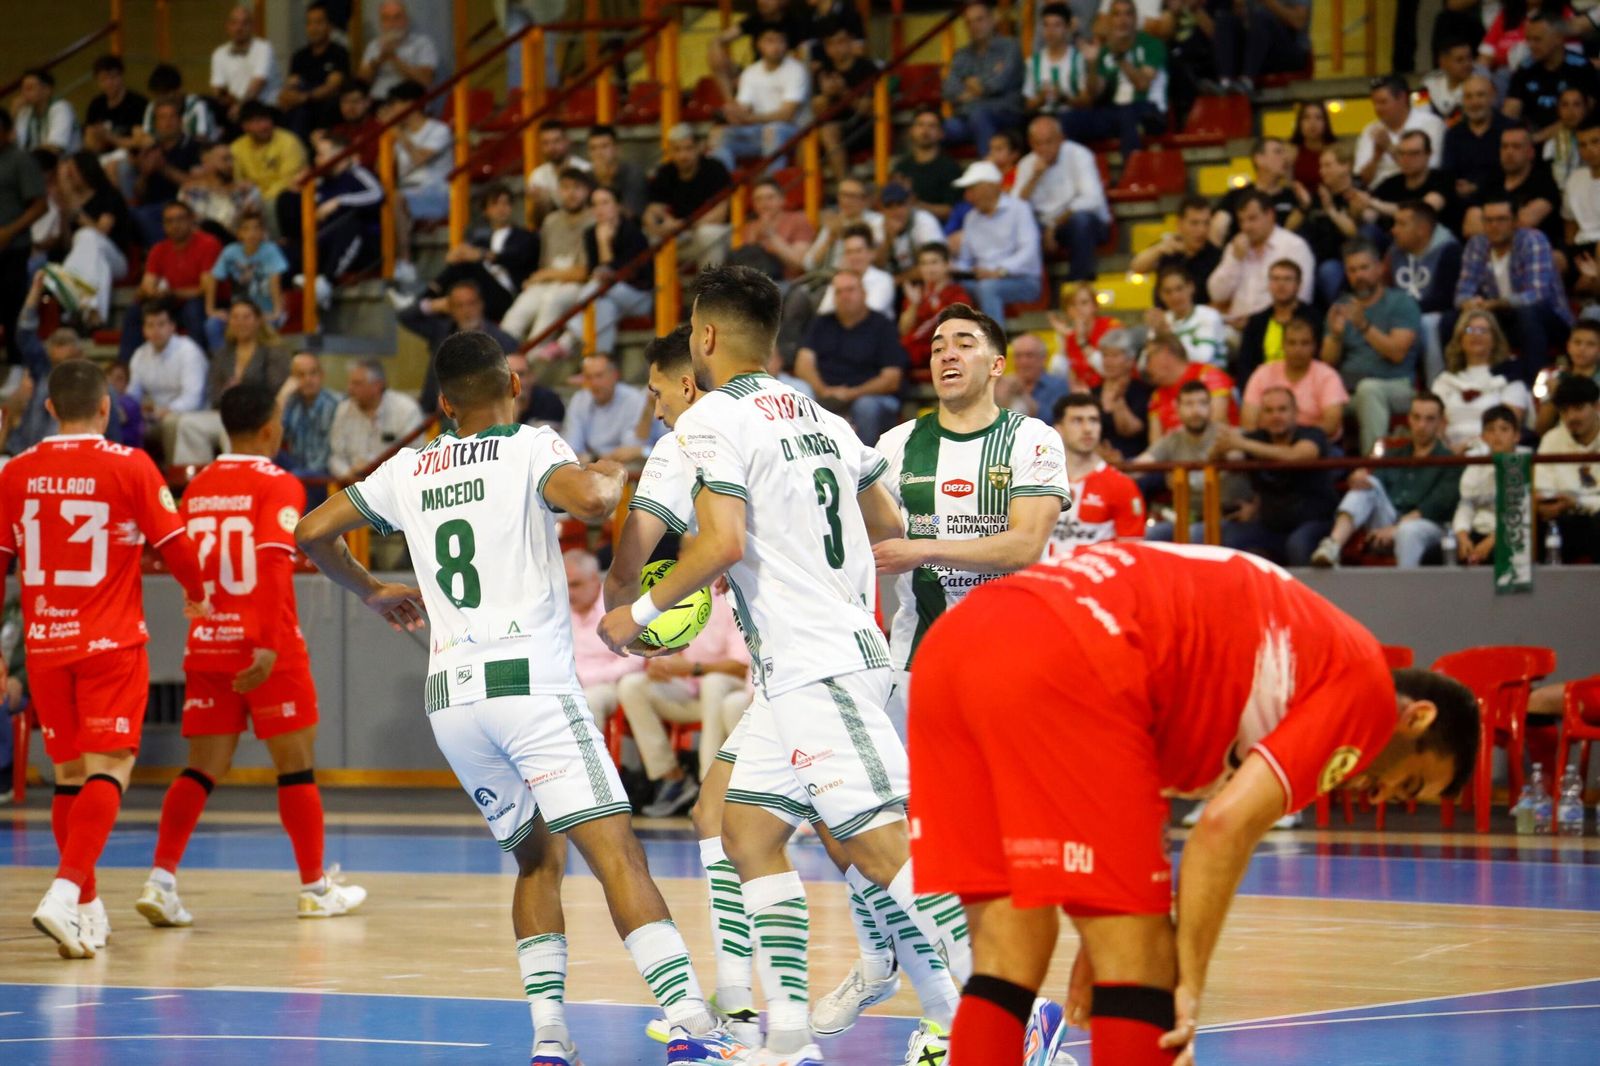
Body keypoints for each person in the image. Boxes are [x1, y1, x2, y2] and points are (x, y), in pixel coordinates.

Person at [295, 330, 750, 1065]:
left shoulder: (408, 467)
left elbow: (311, 531)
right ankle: (693, 1024)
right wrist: (610, 467)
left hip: (453, 702)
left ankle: (549, 1037)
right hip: (530, 687)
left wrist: (372, 590)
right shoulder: (530, 446)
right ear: (514, 384)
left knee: (537, 862)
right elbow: (595, 500)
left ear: (444, 405)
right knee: (617, 856)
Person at [597, 268, 975, 1066]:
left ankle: (1007, 1010)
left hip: (816, 662)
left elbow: (723, 542)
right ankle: (790, 1038)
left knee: (880, 849)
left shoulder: (710, 420)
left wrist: (639, 614)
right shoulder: (824, 416)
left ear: (704, 338)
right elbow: (887, 525)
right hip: (809, 662)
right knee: (746, 830)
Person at [907, 541, 1478, 1066]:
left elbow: (1132, 788)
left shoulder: (1308, 650)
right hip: (1072, 650)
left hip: (957, 644)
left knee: (1009, 954)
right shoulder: (1367, 693)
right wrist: (1187, 983)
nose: (1379, 796)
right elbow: (1224, 827)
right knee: (1146, 967)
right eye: (1407, 784)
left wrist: (1104, 931)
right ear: (1417, 718)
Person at [0, 359, 209, 959]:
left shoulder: (15, 471)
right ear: (105, 407)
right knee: (110, 768)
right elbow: (176, 544)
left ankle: (87, 910)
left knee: (70, 777)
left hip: (45, 645)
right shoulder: (130, 465)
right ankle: (66, 891)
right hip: (109, 644)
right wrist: (198, 595)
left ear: (48, 408)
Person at [137, 384, 366, 929]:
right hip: (268, 647)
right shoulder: (278, 482)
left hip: (207, 643)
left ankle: (160, 881)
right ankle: (314, 888)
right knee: (295, 767)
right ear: (269, 429)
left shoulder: (197, 486)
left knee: (201, 768)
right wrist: (264, 642)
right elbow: (271, 563)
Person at [618, 589, 751, 818]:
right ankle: (673, 777)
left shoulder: (730, 600)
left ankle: (708, 787)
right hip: (690, 693)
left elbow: (741, 666)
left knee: (713, 683)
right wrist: (661, 664)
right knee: (632, 686)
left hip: (727, 689)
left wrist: (693, 668)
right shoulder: (681, 595)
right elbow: (668, 650)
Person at [1312, 392, 1460, 568]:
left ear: (1441, 423)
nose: (1422, 425)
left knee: (1408, 531)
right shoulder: (1394, 454)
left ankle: (1406, 584)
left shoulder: (1451, 461)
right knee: (1366, 484)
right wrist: (1358, 478)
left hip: (1431, 526)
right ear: (1409, 419)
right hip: (1389, 518)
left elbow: (1434, 507)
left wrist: (1395, 529)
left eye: (1430, 419)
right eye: (1416, 417)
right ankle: (1332, 545)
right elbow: (1374, 484)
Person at [1453, 193, 1572, 386]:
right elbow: (1462, 292)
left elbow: (1537, 294)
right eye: (1488, 220)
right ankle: (1458, 383)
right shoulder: (1477, 244)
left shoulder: (1532, 240)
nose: (1494, 226)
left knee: (1527, 313)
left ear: (1515, 221)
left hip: (1548, 318)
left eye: (1501, 219)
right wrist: (1470, 303)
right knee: (1452, 319)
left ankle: (1533, 385)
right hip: (1501, 318)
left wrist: (1497, 303)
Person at [1211, 386, 1338, 566]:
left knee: (1298, 544)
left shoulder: (1312, 434)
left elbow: (1298, 455)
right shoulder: (1255, 438)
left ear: (1295, 413)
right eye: (1269, 411)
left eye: (1282, 409)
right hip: (1270, 526)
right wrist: (1222, 446)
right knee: (1229, 537)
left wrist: (1242, 443)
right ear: (1261, 416)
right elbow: (1223, 459)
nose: (1275, 416)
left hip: (1314, 522)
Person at [1321, 239, 1424, 457]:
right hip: (1349, 391)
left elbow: (1397, 353)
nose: (1359, 275)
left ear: (1380, 268)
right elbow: (1327, 363)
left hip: (1397, 386)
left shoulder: (1401, 303)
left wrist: (1364, 326)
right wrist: (1336, 336)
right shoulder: (1341, 307)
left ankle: (1374, 465)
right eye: (1352, 270)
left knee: (1368, 390)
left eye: (1364, 268)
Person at [173, 297, 293, 465]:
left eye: (246, 317)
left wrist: (242, 394)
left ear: (258, 320)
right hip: (226, 413)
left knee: (234, 431)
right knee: (188, 424)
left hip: (258, 415)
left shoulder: (274, 352)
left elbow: (276, 388)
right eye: (235, 317)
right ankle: (197, 476)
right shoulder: (222, 354)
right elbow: (213, 394)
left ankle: (236, 474)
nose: (240, 322)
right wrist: (226, 393)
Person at [794, 270, 908, 445]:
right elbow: (803, 364)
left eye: (850, 290)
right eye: (839, 292)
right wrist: (823, 390)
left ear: (864, 293)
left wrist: (851, 394)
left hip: (872, 398)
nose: (844, 296)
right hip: (826, 395)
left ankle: (864, 460)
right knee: (798, 395)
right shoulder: (821, 324)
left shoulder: (883, 326)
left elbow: (891, 379)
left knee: (866, 406)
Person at [402, 184, 538, 326]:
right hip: (482, 291)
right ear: (486, 211)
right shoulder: (481, 241)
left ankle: (423, 300)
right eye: (495, 204)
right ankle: (428, 300)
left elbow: (515, 257)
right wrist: (455, 257)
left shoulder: (524, 236)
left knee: (466, 264)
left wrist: (481, 255)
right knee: (460, 266)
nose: (501, 208)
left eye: (505, 203)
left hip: (508, 294)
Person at [502, 167, 595, 349]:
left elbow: (584, 273)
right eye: (565, 188)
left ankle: (530, 356)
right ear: (558, 191)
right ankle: (498, 356)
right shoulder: (551, 221)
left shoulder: (593, 220)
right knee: (520, 309)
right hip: (547, 281)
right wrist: (539, 278)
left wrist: (543, 276)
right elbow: (544, 263)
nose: (571, 193)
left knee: (553, 301)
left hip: (576, 285)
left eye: (577, 188)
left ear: (587, 191)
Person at [1063, 0, 1168, 155]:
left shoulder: (1151, 44)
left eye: (1128, 14)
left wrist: (1119, 56)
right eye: (1116, 15)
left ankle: (1132, 169)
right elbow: (1095, 92)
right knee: (1069, 120)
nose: (1122, 20)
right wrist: (1092, 64)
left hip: (1149, 110)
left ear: (1136, 19)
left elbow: (1142, 84)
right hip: (1115, 113)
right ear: (1109, 21)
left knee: (1127, 113)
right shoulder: (1104, 51)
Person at [1013, 114, 1110, 282]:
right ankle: (1033, 287)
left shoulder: (1080, 155)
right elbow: (1015, 207)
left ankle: (1078, 282)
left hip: (1083, 223)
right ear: (1030, 143)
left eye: (1049, 142)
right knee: (1021, 227)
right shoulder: (1027, 164)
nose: (1044, 148)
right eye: (1038, 143)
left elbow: (1092, 199)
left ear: (1061, 139)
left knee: (1081, 220)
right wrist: (1034, 178)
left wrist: (1053, 225)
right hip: (1045, 225)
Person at [119, 201, 219, 362]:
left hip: (200, 302)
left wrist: (172, 292)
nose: (175, 225)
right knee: (135, 312)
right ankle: (125, 367)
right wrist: (149, 291)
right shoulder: (158, 249)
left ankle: (198, 362)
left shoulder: (208, 243)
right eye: (169, 221)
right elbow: (148, 284)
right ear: (163, 225)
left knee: (193, 310)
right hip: (169, 302)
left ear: (191, 220)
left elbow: (205, 289)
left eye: (180, 219)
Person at [1048, 391, 1143, 553]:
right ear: (1059, 429)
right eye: (1077, 420)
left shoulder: (1122, 485)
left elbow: (1131, 553)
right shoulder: (1038, 480)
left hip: (1095, 569)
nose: (1088, 429)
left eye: (1094, 420)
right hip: (1042, 569)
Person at [951, 160, 1043, 326]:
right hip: (981, 278)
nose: (967, 196)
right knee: (949, 285)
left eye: (972, 189)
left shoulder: (1019, 209)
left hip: (1021, 279)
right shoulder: (971, 218)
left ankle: (995, 341)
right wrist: (955, 269)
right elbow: (965, 259)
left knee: (988, 287)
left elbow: (1028, 252)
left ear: (990, 187)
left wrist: (998, 271)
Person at [1206, 190, 1314, 327]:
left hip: (1277, 326)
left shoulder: (1294, 247)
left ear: (1270, 215)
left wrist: (1254, 322)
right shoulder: (1236, 247)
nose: (1246, 227)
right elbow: (1216, 294)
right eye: (1241, 220)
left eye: (1252, 219)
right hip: (1233, 328)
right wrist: (1235, 260)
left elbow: (1301, 297)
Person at [711, 26, 808, 174]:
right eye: (770, 41)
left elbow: (787, 115)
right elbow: (743, 107)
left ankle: (771, 181)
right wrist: (732, 113)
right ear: (759, 44)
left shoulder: (796, 70)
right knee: (718, 135)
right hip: (757, 130)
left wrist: (751, 118)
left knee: (772, 130)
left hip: (791, 131)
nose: (776, 46)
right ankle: (725, 183)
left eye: (780, 41)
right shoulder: (750, 72)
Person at [1433, 310, 1533, 452]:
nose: (1476, 335)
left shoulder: (1510, 378)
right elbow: (1432, 422)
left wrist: (1469, 446)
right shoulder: (1445, 380)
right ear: (1460, 339)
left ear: (1495, 339)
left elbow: (1509, 426)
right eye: (1470, 330)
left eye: (1483, 330)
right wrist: (1447, 451)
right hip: (1450, 453)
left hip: (1493, 452)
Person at [383, 80, 453, 283]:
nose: (391, 109)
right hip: (408, 190)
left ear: (411, 104)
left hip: (437, 191)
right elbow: (381, 168)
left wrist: (400, 136)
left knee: (397, 199)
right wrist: (387, 138)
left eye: (395, 104)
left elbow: (420, 159)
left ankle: (405, 262)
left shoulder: (439, 130)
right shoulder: (398, 134)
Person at [1388, 200, 1463, 383]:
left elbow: (1444, 300)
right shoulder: (1394, 252)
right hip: (1403, 314)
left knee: (1427, 323)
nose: (1393, 230)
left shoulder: (1449, 250)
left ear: (1422, 229)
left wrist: (1404, 312)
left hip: (1433, 315)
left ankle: (1435, 385)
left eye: (1401, 224)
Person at [1243, 316, 1347, 440]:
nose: (1298, 349)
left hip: (1317, 444)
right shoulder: (1262, 373)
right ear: (1283, 345)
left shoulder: (1328, 376)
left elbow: (1331, 425)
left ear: (1314, 346)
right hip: (1268, 443)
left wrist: (1293, 441)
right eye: (1292, 343)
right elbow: (1249, 423)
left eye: (1305, 343)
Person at [127, 299, 209, 457]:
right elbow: (133, 395)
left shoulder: (188, 351)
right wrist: (136, 409)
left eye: (161, 324)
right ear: (144, 329)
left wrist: (166, 411)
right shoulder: (139, 354)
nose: (156, 330)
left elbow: (193, 399)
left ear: (172, 326)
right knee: (126, 418)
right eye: (150, 325)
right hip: (155, 415)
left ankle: (173, 471)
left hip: (190, 413)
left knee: (171, 423)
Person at [644, 126, 732, 269]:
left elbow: (720, 214)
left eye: (688, 149)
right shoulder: (665, 172)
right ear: (670, 151)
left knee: (707, 234)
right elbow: (652, 211)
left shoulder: (715, 168)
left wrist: (684, 224)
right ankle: (661, 283)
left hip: (718, 231)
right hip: (683, 233)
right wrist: (660, 226)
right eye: (677, 150)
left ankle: (710, 283)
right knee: (647, 238)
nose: (683, 155)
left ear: (698, 148)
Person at [1503, 11, 1599, 142]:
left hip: (1574, 139)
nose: (1531, 45)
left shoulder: (1581, 68)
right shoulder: (1525, 69)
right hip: (1530, 139)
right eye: (1528, 39)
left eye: (1537, 39)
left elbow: (1583, 115)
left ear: (1558, 38)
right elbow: (1510, 111)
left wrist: (1536, 138)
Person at [942, 1, 1025, 150]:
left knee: (979, 116)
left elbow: (998, 84)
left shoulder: (1010, 47)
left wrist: (970, 84)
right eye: (969, 22)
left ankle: (988, 165)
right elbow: (949, 89)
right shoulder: (961, 54)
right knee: (938, 128)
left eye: (979, 20)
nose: (974, 26)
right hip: (967, 117)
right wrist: (979, 87)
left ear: (992, 20)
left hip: (1005, 115)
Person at [0, 112, 48, 365]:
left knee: (13, 306)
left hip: (13, 246)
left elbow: (41, 205)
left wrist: (9, 231)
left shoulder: (20, 160)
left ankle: (18, 365)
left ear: (8, 132)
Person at [1452, 404, 1526, 565]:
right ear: (1483, 436)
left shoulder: (1525, 464)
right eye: (1490, 430)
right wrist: (1462, 536)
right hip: (1477, 531)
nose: (1497, 435)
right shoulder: (1476, 465)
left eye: (1504, 429)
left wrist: (1492, 541)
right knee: (1434, 556)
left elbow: (1521, 513)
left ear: (1516, 436)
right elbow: (1466, 505)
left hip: (1511, 535)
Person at [1536, 374, 1600, 561]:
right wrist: (1548, 506)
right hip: (1565, 519)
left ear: (1596, 406)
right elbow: (1543, 491)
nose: (1571, 417)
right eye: (1564, 411)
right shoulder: (1551, 440)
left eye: (1578, 408)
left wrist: (1578, 502)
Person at [327, 359, 424, 481]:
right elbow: (335, 457)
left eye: (357, 384)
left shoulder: (406, 410)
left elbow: (416, 457)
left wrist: (378, 475)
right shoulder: (344, 410)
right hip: (353, 485)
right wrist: (347, 473)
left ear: (377, 385)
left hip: (395, 483)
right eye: (350, 383)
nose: (349, 389)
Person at [130, 99, 206, 246]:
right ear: (156, 124)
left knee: (145, 215)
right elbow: (138, 193)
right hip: (152, 204)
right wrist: (145, 174)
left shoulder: (194, 146)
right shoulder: (150, 149)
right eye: (162, 118)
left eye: (172, 117)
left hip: (182, 202)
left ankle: (166, 251)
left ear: (181, 121)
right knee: (129, 213)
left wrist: (164, 168)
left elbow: (197, 186)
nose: (167, 122)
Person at [1234, 259, 1319, 385]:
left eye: (1287, 279)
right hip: (1262, 387)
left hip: (1304, 384)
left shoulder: (1313, 319)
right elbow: (1245, 365)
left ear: (1299, 285)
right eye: (1275, 279)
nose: (1281, 284)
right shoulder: (1256, 322)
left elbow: (1318, 360)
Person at [206, 212, 287, 342]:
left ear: (263, 232)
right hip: (239, 313)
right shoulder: (230, 252)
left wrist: (277, 311)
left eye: (256, 228)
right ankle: (223, 355)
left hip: (266, 311)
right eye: (246, 229)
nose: (252, 233)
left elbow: (275, 280)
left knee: (265, 329)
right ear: (239, 233)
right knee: (212, 324)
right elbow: (213, 277)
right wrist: (210, 310)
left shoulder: (271, 250)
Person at [1356, 75, 1447, 189]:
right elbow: (1361, 180)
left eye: (1383, 102)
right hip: (1377, 192)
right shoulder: (1370, 130)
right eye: (1374, 103)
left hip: (1417, 192)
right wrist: (1376, 156)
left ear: (1402, 98)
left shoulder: (1432, 124)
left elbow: (1430, 170)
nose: (1377, 108)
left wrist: (1389, 147)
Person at [1129, 195, 1220, 306]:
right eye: (1194, 223)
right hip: (1165, 315)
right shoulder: (1166, 248)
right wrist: (1158, 249)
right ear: (1179, 224)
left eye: (1206, 223)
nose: (1201, 230)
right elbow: (1137, 267)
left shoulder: (1216, 256)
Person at [1145, 335, 1235, 444]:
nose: (1146, 367)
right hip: (1173, 453)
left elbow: (1217, 424)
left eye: (1148, 358)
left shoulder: (1209, 375)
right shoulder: (1157, 395)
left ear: (1165, 354)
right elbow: (1155, 444)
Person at [899, 242, 974, 372]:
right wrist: (914, 305)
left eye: (934, 262)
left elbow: (957, 331)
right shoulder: (916, 292)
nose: (929, 268)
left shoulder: (957, 294)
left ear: (947, 265)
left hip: (940, 350)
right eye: (924, 263)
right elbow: (903, 330)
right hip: (909, 351)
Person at [562, 352, 648, 464]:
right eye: (588, 377)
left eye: (599, 376)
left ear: (615, 375)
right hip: (590, 465)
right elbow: (571, 448)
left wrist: (593, 458)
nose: (594, 383)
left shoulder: (634, 400)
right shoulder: (579, 399)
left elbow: (630, 450)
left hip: (625, 467)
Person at [1211, 0, 1311, 93]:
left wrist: (1268, 2)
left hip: (1288, 52)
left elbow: (1298, 22)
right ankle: (1225, 82)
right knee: (1225, 19)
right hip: (1257, 53)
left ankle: (1247, 81)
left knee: (1261, 17)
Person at [280, 2, 350, 134]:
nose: (313, 28)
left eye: (319, 22)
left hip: (325, 108)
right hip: (301, 106)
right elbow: (290, 86)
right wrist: (290, 95)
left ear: (329, 26)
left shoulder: (339, 53)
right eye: (309, 23)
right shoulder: (299, 56)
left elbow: (332, 87)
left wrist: (305, 97)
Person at [1213, 137, 1299, 244]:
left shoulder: (1293, 196)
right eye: (1277, 152)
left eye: (1285, 153)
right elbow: (1217, 228)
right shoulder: (1237, 195)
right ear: (1259, 159)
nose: (1285, 158)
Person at [1443, 75, 1510, 207]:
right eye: (1468, 97)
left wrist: (1477, 187)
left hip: (1501, 200)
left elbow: (1512, 170)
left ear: (1492, 97)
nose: (1474, 102)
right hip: (1460, 202)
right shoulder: (1453, 134)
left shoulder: (1510, 129)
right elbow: (1448, 172)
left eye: (1480, 95)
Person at [211, 3, 282, 128]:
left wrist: (241, 106)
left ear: (252, 27)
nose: (239, 28)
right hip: (234, 108)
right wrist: (230, 102)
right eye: (234, 23)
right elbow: (217, 88)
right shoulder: (219, 53)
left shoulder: (264, 48)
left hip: (264, 109)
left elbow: (258, 84)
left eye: (245, 23)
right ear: (227, 27)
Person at [1370, 131, 1455, 232]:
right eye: (1401, 153)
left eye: (1414, 153)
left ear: (1429, 154)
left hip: (1431, 237)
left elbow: (1422, 211)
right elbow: (1368, 214)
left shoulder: (1443, 179)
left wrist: (1372, 203)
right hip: (1391, 238)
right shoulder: (1391, 183)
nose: (1406, 159)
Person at [181, 143, 266, 242]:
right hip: (201, 245)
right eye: (225, 159)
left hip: (236, 244)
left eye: (232, 159)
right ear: (206, 162)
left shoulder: (247, 191)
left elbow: (259, 229)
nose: (231, 164)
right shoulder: (190, 192)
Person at [891, 107, 963, 223]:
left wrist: (916, 205)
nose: (925, 131)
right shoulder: (902, 166)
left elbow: (952, 210)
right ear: (911, 131)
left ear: (941, 133)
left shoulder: (950, 168)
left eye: (932, 126)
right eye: (920, 125)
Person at [1145, 267, 1226, 369]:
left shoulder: (1208, 316)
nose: (1175, 296)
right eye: (1168, 292)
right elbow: (1145, 365)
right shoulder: (1161, 320)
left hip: (1208, 376)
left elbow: (1202, 359)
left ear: (1191, 287)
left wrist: (1167, 334)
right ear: (1161, 295)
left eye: (1179, 289)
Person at [358, 0, 440, 100]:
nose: (392, 23)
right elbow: (361, 82)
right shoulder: (373, 45)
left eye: (397, 17)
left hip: (408, 100)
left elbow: (426, 80)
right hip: (378, 100)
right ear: (381, 23)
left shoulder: (422, 43)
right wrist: (379, 60)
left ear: (406, 20)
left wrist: (394, 58)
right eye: (386, 18)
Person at [737, 177, 814, 281]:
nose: (764, 203)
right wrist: (754, 238)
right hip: (757, 282)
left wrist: (771, 236)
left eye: (770, 197)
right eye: (758, 199)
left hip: (789, 282)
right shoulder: (750, 227)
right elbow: (745, 263)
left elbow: (799, 264)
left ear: (782, 199)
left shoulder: (798, 219)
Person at [1023, 3, 1091, 122]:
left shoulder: (1079, 59)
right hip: (1042, 117)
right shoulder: (1033, 62)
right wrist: (1041, 99)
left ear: (1068, 28)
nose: (1051, 31)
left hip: (1072, 118)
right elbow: (1028, 105)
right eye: (1046, 25)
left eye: (1057, 25)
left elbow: (1087, 101)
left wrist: (1064, 98)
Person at [230, 102, 308, 205]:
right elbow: (237, 181)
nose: (265, 125)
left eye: (266, 119)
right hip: (253, 200)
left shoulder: (288, 141)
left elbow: (289, 180)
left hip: (285, 196)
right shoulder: (236, 148)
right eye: (257, 122)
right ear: (245, 126)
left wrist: (262, 198)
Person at [280, 352, 341, 479]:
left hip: (324, 472)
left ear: (322, 375)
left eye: (313, 373)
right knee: (264, 459)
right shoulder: (292, 401)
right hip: (296, 466)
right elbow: (273, 434)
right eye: (301, 375)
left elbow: (335, 454)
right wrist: (283, 395)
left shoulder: (336, 404)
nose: (308, 379)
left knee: (292, 477)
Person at [803, 176, 884, 272]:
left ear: (864, 199)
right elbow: (808, 264)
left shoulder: (877, 221)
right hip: (833, 275)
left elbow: (879, 260)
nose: (846, 200)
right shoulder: (834, 222)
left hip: (864, 275)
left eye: (852, 196)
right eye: (843, 194)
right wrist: (830, 239)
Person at [1092, 331, 1152, 459]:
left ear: (1130, 360)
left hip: (1135, 461)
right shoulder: (1093, 392)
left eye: (1114, 356)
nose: (1108, 361)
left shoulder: (1142, 391)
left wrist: (1118, 400)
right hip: (1097, 459)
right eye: (1105, 355)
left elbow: (1130, 430)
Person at [1535, 319, 1600, 433]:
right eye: (1577, 342)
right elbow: (1541, 429)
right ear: (1568, 346)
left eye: (1590, 344)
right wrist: (1555, 397)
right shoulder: (1557, 378)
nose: (1582, 349)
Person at [816, 224, 895, 316]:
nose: (854, 257)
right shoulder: (839, 281)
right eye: (849, 252)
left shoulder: (884, 280)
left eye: (858, 251)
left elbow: (866, 314)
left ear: (871, 253)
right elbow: (823, 313)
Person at [1050, 281, 1117, 388]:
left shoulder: (1111, 327)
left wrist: (1082, 342)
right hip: (1083, 391)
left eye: (1084, 303)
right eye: (1072, 304)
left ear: (1095, 306)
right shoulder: (1069, 335)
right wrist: (1062, 341)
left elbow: (1110, 370)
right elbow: (1057, 377)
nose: (1078, 308)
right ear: (1067, 311)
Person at [996, 331, 1070, 421]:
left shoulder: (1058, 385)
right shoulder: (1003, 383)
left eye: (1029, 355)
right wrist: (1002, 398)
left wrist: (1023, 394)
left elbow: (1056, 420)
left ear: (1043, 358)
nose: (1023, 362)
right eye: (1018, 356)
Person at [877, 181, 943, 283]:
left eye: (900, 204)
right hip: (892, 282)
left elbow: (934, 264)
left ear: (909, 204)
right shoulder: (878, 225)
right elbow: (876, 266)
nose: (895, 210)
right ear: (882, 209)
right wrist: (888, 239)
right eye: (889, 206)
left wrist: (895, 281)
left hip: (926, 281)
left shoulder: (924, 221)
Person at [83, 55, 148, 157]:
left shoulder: (138, 103)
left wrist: (110, 137)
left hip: (129, 156)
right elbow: (89, 142)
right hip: (102, 155)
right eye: (103, 79)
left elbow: (139, 142)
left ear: (121, 76)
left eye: (113, 77)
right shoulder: (96, 104)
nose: (109, 83)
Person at [526, 122, 594, 218]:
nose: (551, 148)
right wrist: (541, 204)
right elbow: (537, 219)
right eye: (546, 143)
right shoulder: (538, 175)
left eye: (556, 141)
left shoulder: (585, 169)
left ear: (567, 141)